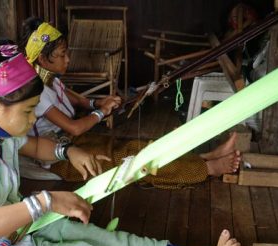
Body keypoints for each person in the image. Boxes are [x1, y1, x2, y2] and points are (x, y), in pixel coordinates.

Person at [0, 39, 253, 246]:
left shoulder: (1, 131)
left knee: (102, 239)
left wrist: (68, 151)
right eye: (27, 112)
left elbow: (36, 146)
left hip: (21, 229)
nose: (32, 119)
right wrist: (45, 201)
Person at [21, 17, 241, 188]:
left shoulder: (52, 81)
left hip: (75, 143)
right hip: (61, 159)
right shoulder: (36, 92)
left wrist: (100, 103)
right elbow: (75, 127)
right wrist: (101, 113)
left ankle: (203, 157)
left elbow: (82, 101)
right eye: (61, 54)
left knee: (138, 148)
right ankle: (207, 169)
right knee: (133, 163)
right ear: (42, 59)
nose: (67, 59)